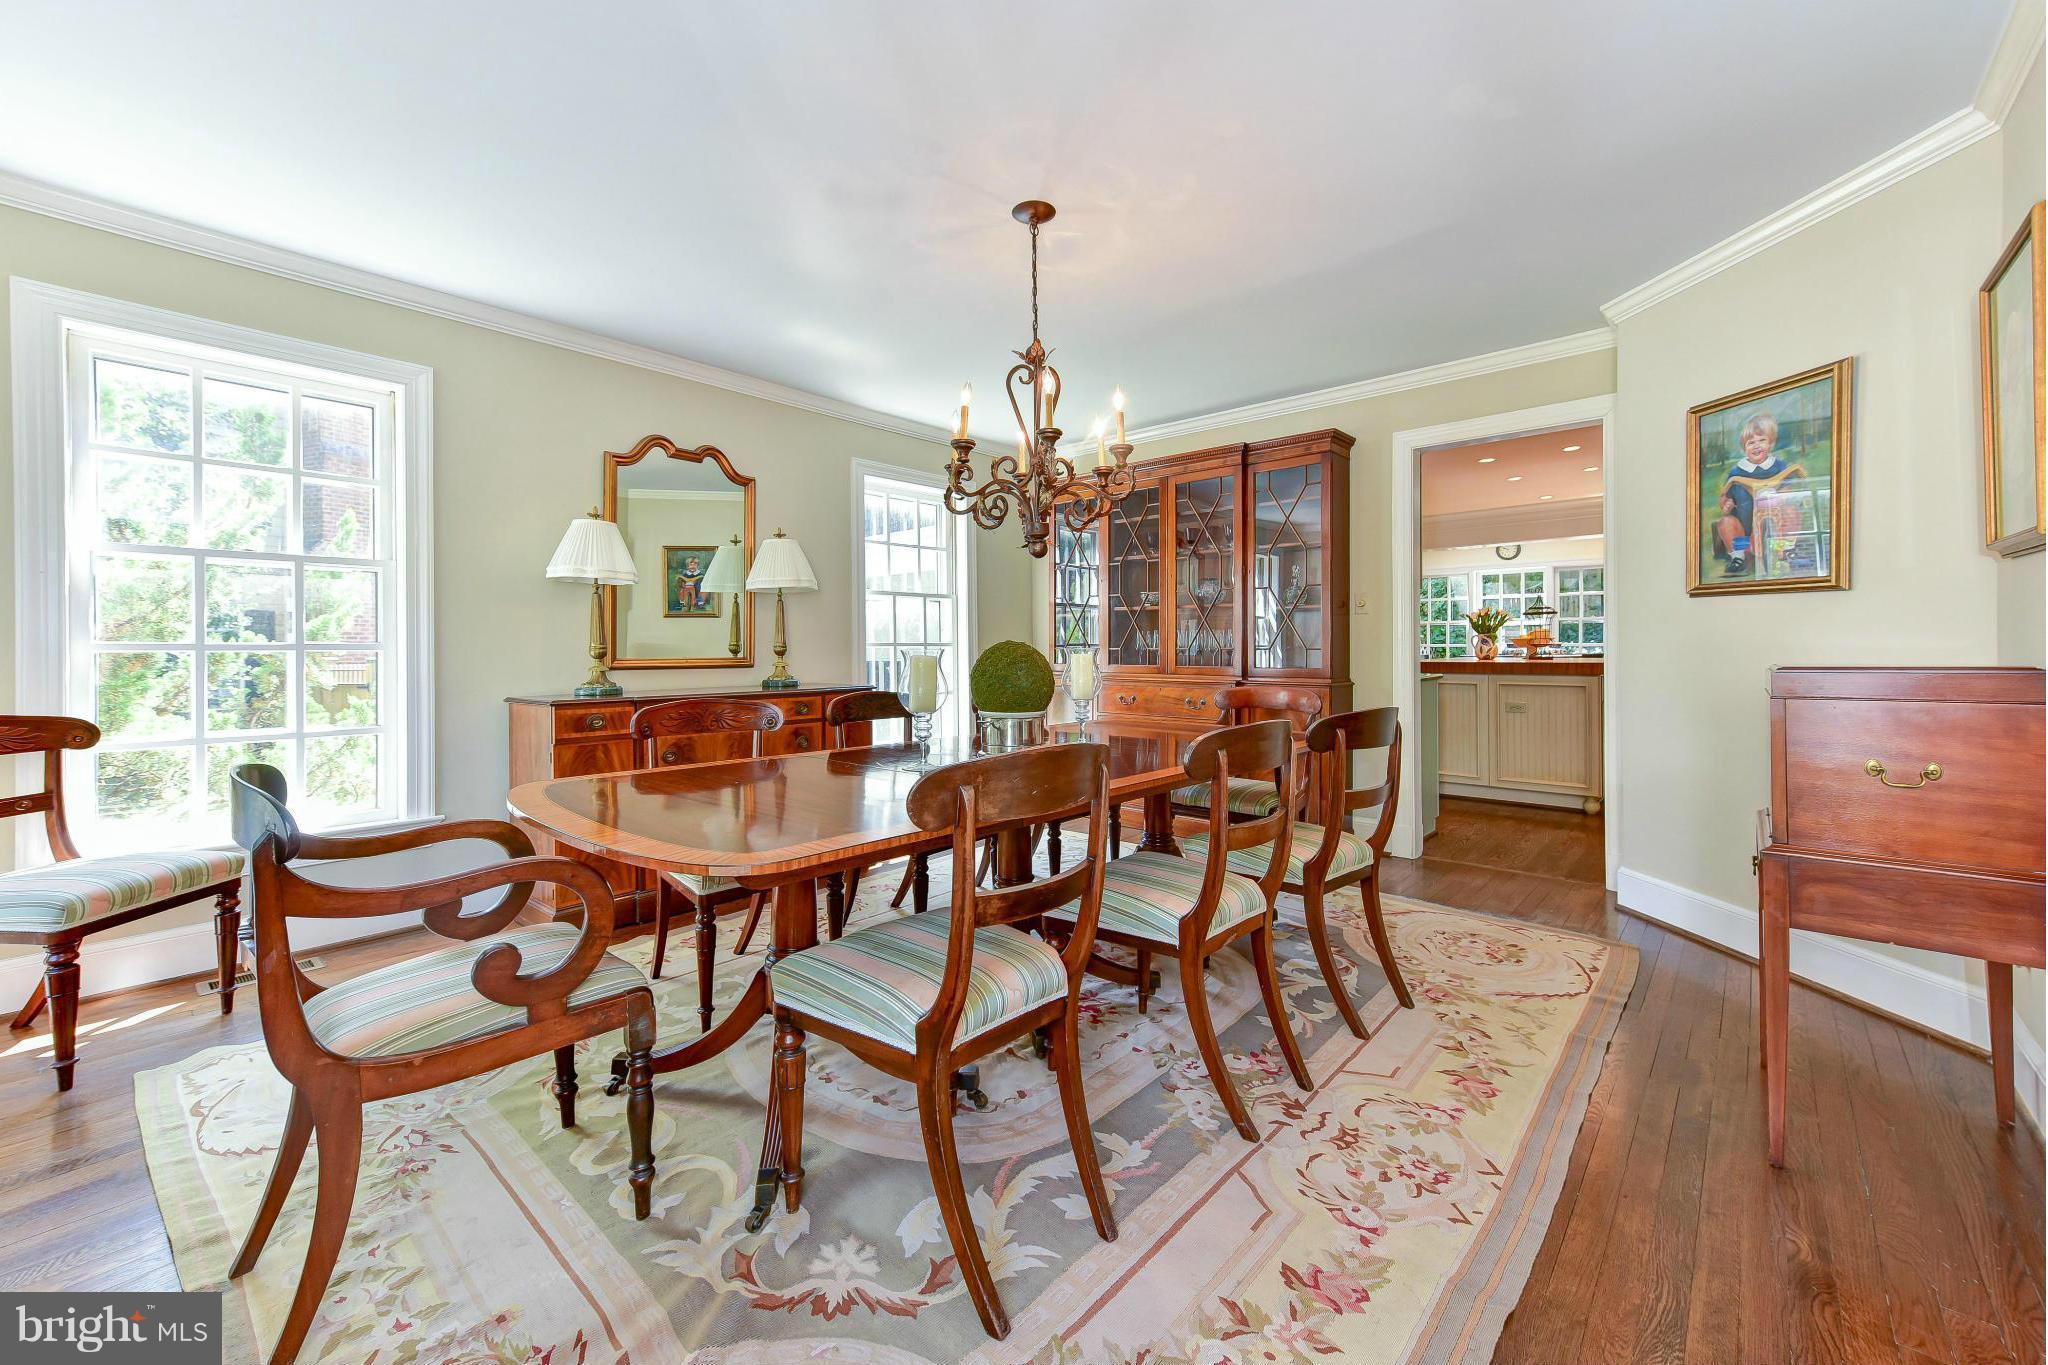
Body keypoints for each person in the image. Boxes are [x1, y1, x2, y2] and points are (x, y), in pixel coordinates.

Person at [1711, 411, 1804, 576]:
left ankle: (1785, 552)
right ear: (1744, 447)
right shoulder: (1737, 472)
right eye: (1751, 442)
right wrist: (1726, 505)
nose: (1756, 446)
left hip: (1775, 521)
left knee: (1791, 512)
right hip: (1746, 529)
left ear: (1771, 443)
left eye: (1762, 440)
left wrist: (1785, 494)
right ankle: (1738, 557)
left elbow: (1790, 485)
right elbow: (1726, 496)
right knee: (1726, 522)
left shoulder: (1779, 466)